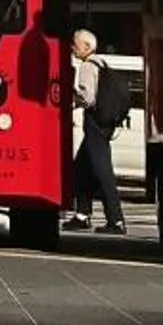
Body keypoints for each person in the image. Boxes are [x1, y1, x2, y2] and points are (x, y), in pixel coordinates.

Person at [62, 29, 129, 235]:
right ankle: (82, 215)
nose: (72, 48)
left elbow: (88, 98)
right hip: (104, 124)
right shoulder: (103, 64)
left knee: (102, 172)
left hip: (96, 124)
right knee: (81, 169)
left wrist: (72, 98)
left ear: (87, 47)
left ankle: (116, 220)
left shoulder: (88, 66)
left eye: (75, 45)